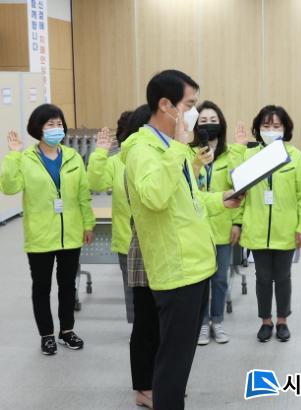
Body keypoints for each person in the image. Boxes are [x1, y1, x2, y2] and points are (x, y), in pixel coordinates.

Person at [120, 69, 241, 410]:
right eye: (189, 105)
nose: (193, 113)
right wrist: (178, 148)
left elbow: (189, 199)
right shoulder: (143, 149)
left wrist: (222, 199)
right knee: (172, 363)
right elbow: (155, 197)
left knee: (180, 360)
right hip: (176, 271)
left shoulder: (171, 148)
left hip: (196, 264)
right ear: (166, 105)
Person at [0, 103, 95, 355]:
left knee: (68, 285)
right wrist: (13, 156)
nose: (56, 128)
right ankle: (47, 335)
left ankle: (67, 331)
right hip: (40, 235)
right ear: (38, 128)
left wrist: (88, 223)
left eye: (59, 123)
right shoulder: (25, 159)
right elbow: (9, 187)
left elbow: (83, 194)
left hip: (71, 233)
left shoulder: (73, 156)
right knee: (42, 288)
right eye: (50, 124)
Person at [231, 105, 301, 342]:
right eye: (266, 126)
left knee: (283, 277)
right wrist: (237, 223)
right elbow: (237, 188)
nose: (271, 130)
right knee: (263, 278)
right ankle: (266, 321)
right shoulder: (249, 156)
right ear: (258, 129)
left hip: (286, 229)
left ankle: (282, 320)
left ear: (285, 129)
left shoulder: (295, 157)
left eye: (276, 126)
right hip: (256, 228)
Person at [188, 100, 240, 345]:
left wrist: (237, 223)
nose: (208, 125)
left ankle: (217, 321)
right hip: (196, 228)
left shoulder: (230, 155)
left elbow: (239, 191)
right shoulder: (189, 153)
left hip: (222, 226)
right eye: (203, 121)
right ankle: (201, 323)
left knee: (220, 280)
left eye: (213, 120)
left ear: (221, 123)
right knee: (200, 281)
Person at [120, 104, 155, 409]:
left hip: (165, 253)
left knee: (161, 324)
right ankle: (144, 387)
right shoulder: (137, 160)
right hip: (145, 252)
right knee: (145, 323)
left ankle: (159, 380)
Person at [87, 111, 134, 323]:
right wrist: (100, 154)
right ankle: (138, 332)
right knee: (133, 295)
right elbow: (95, 183)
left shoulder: (156, 159)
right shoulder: (116, 162)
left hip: (157, 240)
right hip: (127, 241)